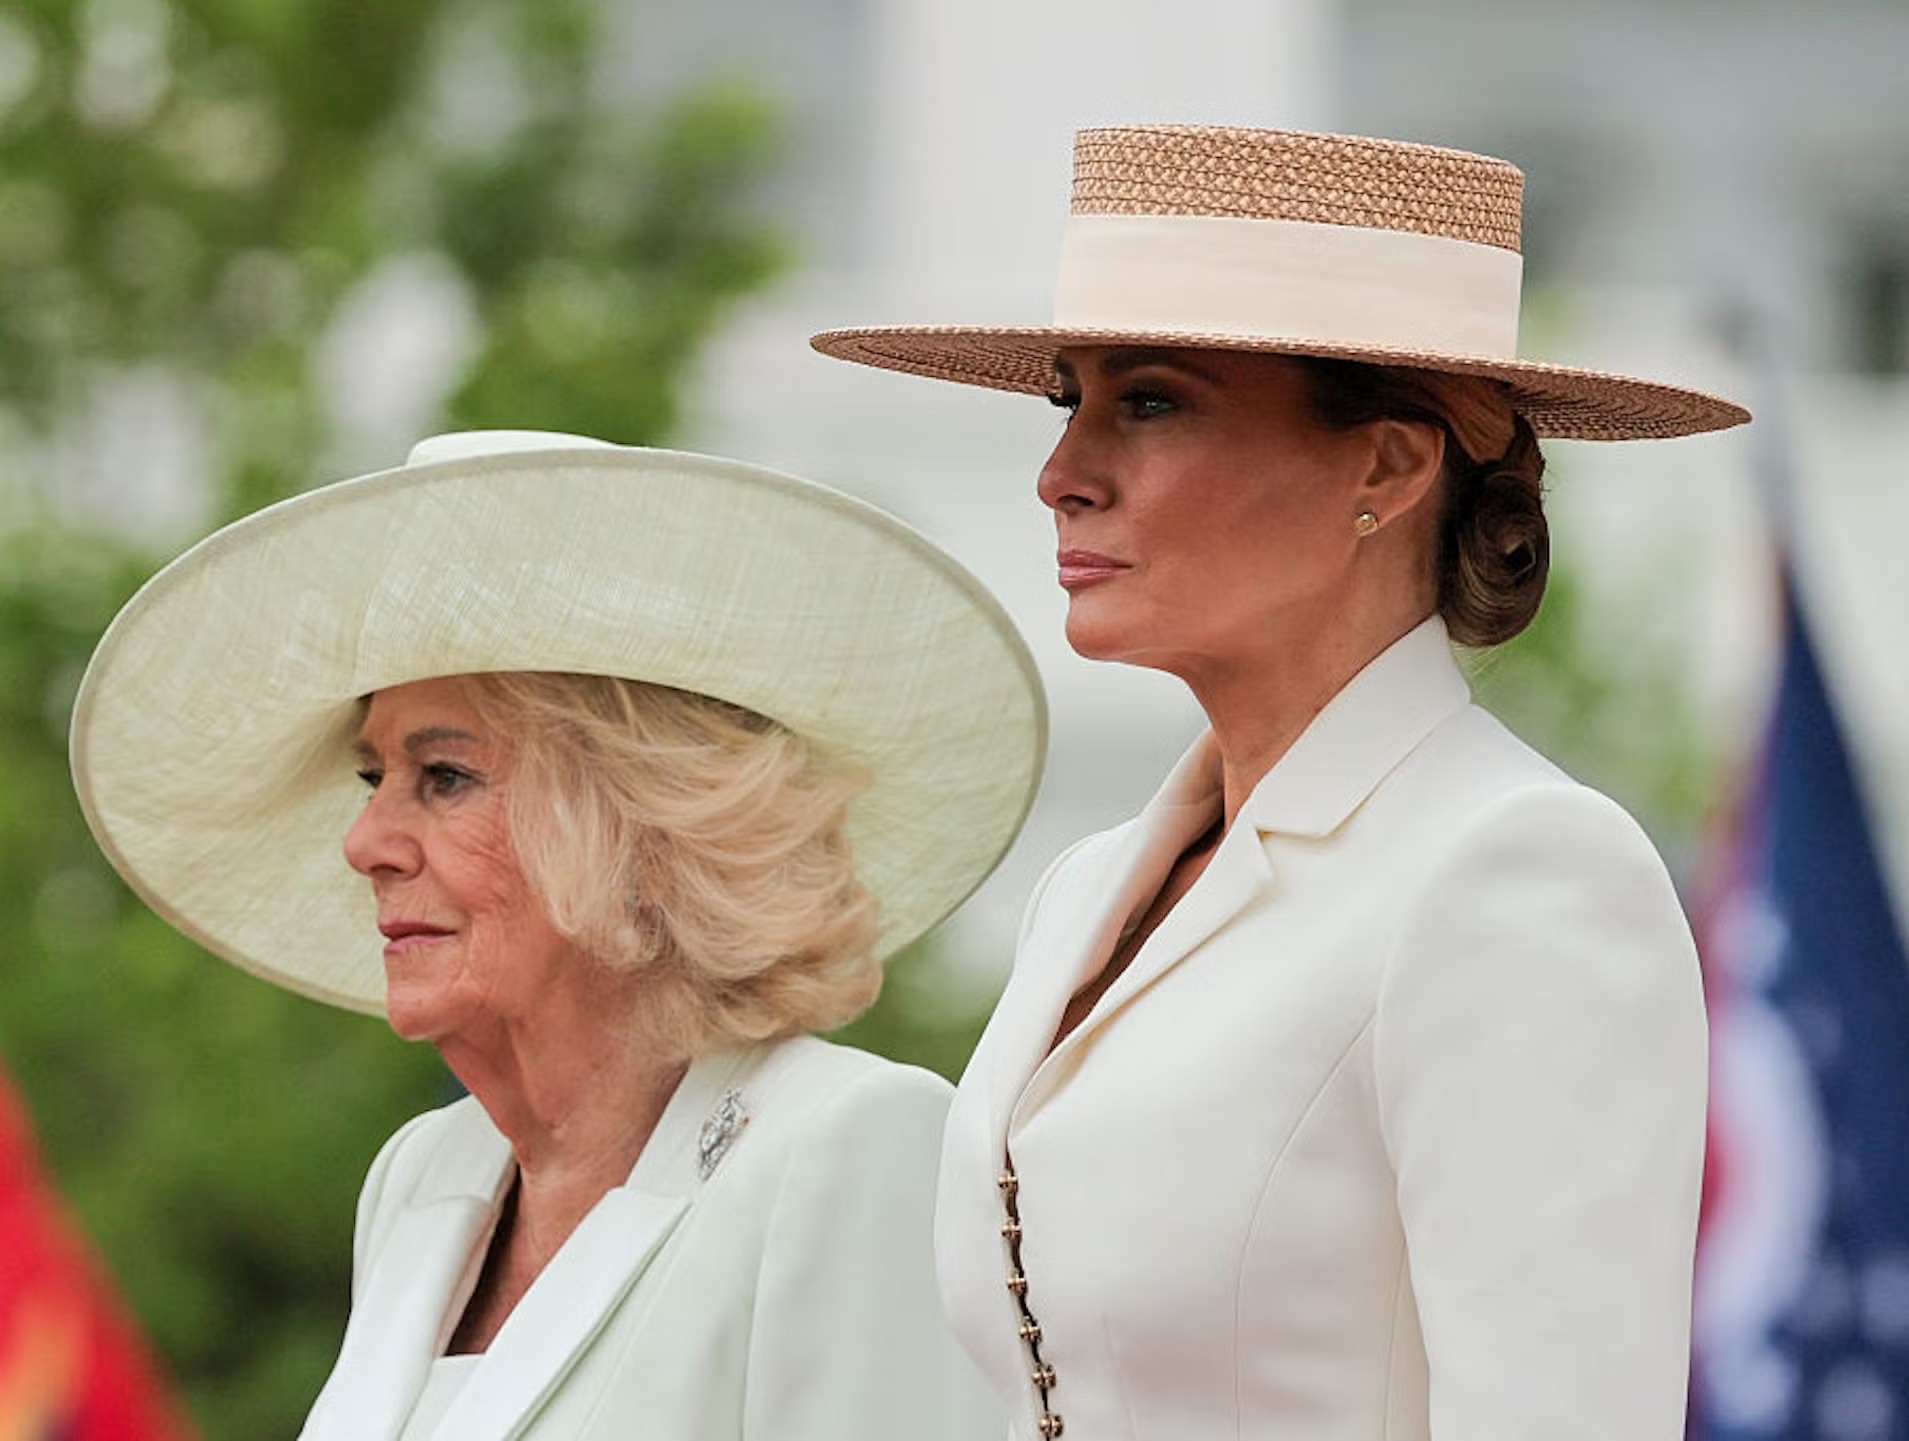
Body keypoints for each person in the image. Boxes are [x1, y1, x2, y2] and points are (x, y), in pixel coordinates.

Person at [812, 125, 1751, 1439]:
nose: (1061, 472)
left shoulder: (1515, 872)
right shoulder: (1085, 892)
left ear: (1386, 464)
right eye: (1063, 398)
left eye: (1147, 400)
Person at [69, 431, 1043, 1440]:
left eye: (442, 776)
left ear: (633, 823)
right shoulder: (422, 1173)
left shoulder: (850, 1139)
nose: (365, 841)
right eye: (374, 778)